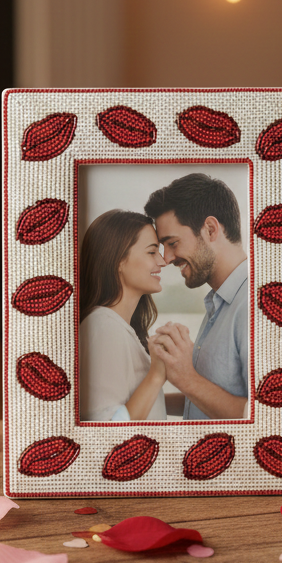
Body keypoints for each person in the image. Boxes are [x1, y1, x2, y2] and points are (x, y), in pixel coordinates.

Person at [144, 173, 249, 420]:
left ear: (210, 229)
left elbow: (268, 417)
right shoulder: (219, 303)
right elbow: (209, 401)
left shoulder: (256, 305)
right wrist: (141, 398)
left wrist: (186, 378)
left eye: (172, 243)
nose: (167, 258)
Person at [78, 209, 169, 422]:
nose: (163, 261)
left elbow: (131, 403)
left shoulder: (115, 326)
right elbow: (107, 426)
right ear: (119, 260)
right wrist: (157, 375)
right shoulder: (104, 327)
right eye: (151, 252)